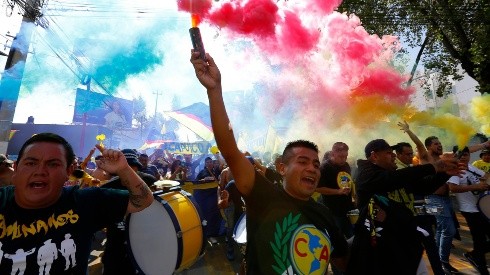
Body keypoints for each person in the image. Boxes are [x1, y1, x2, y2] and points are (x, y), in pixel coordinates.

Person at [190, 50, 348, 274]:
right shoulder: (263, 197)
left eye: (315, 164)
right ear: (282, 168)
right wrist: (215, 91)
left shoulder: (324, 216)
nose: (312, 168)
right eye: (303, 161)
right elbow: (229, 149)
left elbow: (342, 262)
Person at [0, 133, 153, 274]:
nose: (40, 171)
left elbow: (142, 200)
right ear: (16, 167)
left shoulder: (85, 202)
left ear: (69, 171)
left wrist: (123, 169)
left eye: (53, 164)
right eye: (31, 163)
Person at [349, 138, 461, 275]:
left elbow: (423, 187)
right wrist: (434, 167)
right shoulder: (366, 174)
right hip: (378, 247)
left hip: (401, 240)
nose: (394, 155)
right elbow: (390, 179)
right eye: (389, 152)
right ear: (374, 156)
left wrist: (444, 174)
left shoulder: (394, 175)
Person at [100, 149, 157, 275]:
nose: (129, 170)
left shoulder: (149, 181)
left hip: (144, 245)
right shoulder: (108, 188)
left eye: (132, 166)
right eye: (126, 166)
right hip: (116, 248)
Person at [447, 146, 490, 275]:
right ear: (455, 155)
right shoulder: (455, 170)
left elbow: (486, 176)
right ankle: (481, 266)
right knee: (479, 239)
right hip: (469, 210)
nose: (464, 157)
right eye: (461, 155)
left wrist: (484, 181)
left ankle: (475, 256)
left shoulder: (471, 167)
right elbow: (452, 188)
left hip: (480, 208)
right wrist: (476, 186)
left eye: (466, 154)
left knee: (480, 241)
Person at [316, 142, 356, 239]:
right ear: (333, 154)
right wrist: (338, 192)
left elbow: (348, 181)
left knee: (353, 235)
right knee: (338, 237)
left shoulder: (346, 165)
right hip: (333, 210)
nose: (344, 159)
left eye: (346, 156)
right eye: (341, 156)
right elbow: (318, 188)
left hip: (348, 208)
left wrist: (354, 197)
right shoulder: (324, 168)